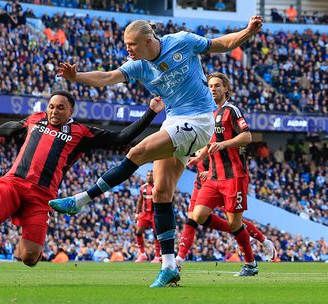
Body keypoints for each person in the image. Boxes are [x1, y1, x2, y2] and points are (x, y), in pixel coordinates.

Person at [49, 16, 264, 287]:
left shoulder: (182, 42)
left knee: (138, 151)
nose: (128, 50)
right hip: (173, 121)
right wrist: (76, 77)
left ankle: (82, 200)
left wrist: (248, 31)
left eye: (132, 45)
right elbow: (108, 77)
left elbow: (220, 43)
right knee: (161, 193)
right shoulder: (138, 65)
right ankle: (169, 266)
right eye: (126, 45)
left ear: (148, 41)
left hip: (199, 119)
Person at [0, 91, 165, 267]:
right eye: (51, 107)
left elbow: (120, 137)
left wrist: (151, 113)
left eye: (60, 108)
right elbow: (13, 127)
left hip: (41, 196)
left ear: (70, 111)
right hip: (13, 184)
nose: (54, 111)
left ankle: (29, 241)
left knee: (29, 257)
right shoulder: (35, 119)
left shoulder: (81, 132)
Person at [176, 73, 277, 272]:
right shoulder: (209, 113)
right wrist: (200, 156)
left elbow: (247, 136)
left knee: (234, 223)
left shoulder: (232, 110)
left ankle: (250, 263)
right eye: (210, 86)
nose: (213, 89)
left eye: (217, 86)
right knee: (198, 215)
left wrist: (224, 144)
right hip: (213, 177)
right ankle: (243, 236)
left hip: (234, 177)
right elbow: (211, 142)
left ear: (226, 89)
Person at [134, 171, 161, 263]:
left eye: (151, 175)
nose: (149, 177)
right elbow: (140, 201)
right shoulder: (142, 188)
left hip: (155, 213)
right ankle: (142, 254)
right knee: (138, 232)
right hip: (145, 214)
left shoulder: (158, 186)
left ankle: (157, 256)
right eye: (148, 175)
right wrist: (137, 214)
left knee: (156, 234)